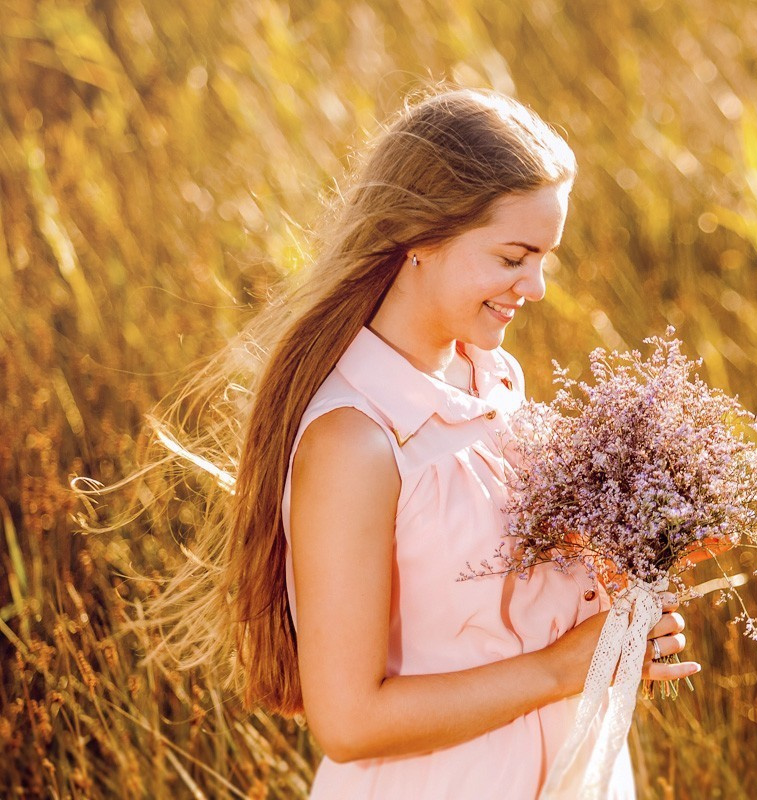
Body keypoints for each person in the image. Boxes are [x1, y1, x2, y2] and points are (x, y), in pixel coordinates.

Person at [120, 87, 701, 799]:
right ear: (420, 237)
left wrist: (642, 566)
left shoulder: (493, 379)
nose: (538, 287)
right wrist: (561, 668)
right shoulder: (354, 441)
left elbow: (492, 607)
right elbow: (350, 721)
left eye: (545, 257)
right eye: (514, 257)